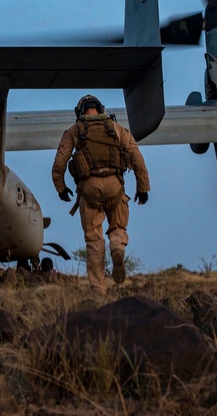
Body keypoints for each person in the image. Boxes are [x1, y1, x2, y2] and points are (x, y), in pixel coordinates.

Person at [51, 95, 150, 295]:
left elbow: (60, 163)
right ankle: (117, 247)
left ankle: (98, 289)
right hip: (115, 186)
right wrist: (143, 187)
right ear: (100, 109)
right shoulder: (114, 127)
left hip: (89, 189)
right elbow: (136, 156)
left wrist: (60, 188)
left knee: (94, 240)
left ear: (80, 111)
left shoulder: (74, 130)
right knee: (118, 227)